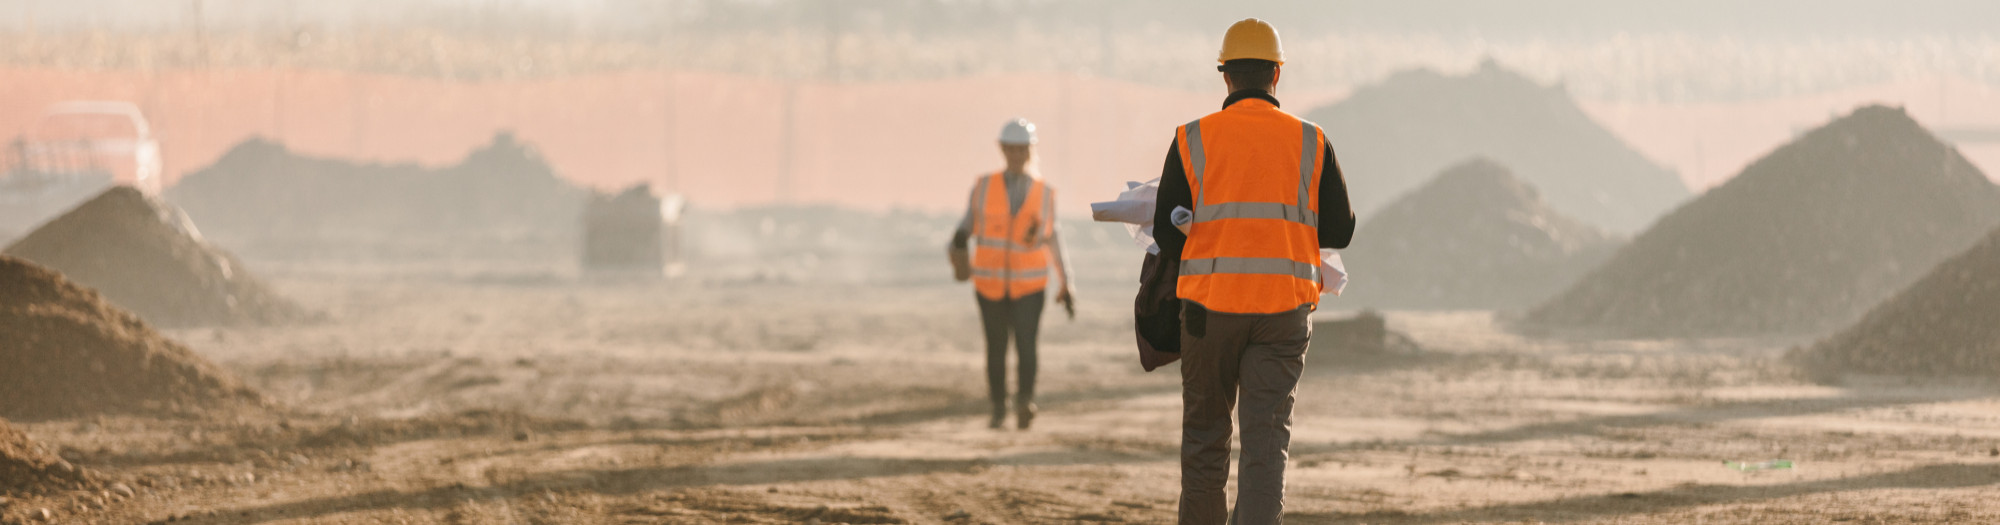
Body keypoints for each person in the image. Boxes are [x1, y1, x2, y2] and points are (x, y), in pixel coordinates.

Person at [1150, 19, 1356, 524]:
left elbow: (1165, 231)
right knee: (1265, 451)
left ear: (1225, 77)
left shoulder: (1191, 138)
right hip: (1283, 314)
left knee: (1204, 445)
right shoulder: (1312, 141)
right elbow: (1340, 231)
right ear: (1276, 75)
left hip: (1207, 313)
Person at [949, 118, 1076, 430]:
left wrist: (1066, 283)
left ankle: (1024, 402)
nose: (1017, 154)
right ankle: (997, 408)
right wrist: (958, 243)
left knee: (1026, 345)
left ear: (1030, 150)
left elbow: (1053, 238)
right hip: (989, 285)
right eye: (1012, 149)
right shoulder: (983, 187)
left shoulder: (1044, 193)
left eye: (1023, 149)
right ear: (1002, 149)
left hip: (1030, 286)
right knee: (995, 349)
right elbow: (965, 227)